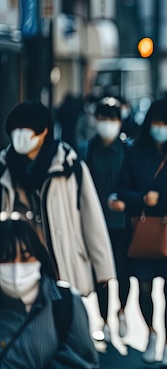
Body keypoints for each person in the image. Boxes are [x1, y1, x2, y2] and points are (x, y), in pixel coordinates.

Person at [116, 97, 167, 368]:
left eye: (166, 123)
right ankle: (152, 334)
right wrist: (142, 199)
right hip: (142, 228)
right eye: (156, 122)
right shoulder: (133, 150)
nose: (160, 127)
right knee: (142, 287)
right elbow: (121, 190)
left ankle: (166, 345)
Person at [0, 101, 116, 296]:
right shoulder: (4, 168)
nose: (20, 135)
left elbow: (91, 218)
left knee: (62, 316)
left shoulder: (69, 167)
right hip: (18, 264)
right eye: (15, 129)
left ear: (44, 131)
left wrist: (103, 269)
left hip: (62, 260)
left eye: (25, 130)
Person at [0, 216, 99, 368]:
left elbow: (84, 360)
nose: (16, 268)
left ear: (39, 258)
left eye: (26, 258)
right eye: (6, 260)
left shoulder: (65, 304)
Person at [78, 97, 131, 343]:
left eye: (112, 119)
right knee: (101, 275)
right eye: (103, 119)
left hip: (124, 223)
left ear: (120, 121)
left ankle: (120, 311)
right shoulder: (86, 150)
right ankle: (104, 320)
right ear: (95, 120)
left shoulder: (128, 150)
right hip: (95, 224)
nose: (107, 124)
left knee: (123, 273)